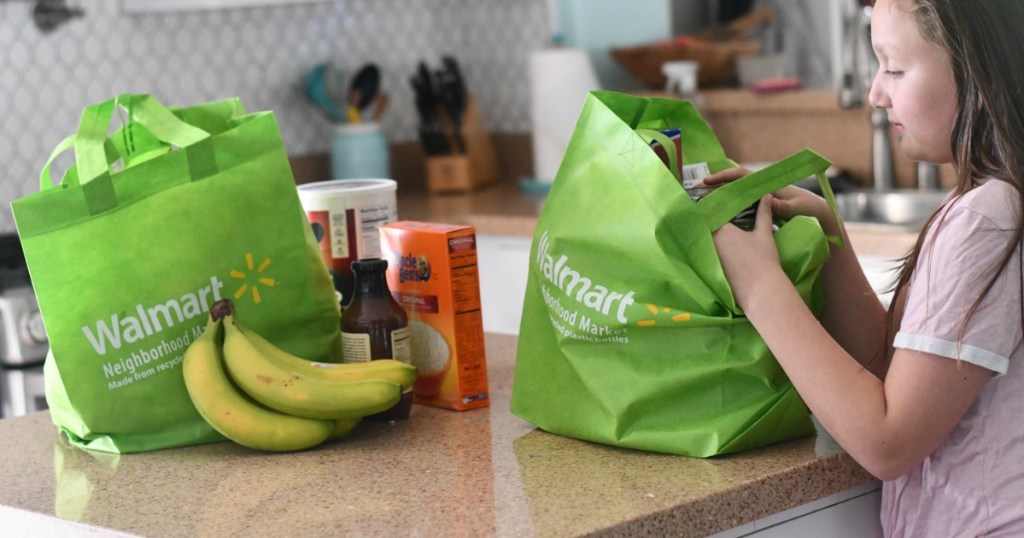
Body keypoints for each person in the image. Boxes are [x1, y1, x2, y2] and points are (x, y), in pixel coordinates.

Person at [708, 0, 1024, 535]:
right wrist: (829, 238)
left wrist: (758, 285)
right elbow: (895, 376)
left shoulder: (989, 217)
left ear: (976, 68)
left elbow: (888, 441)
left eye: (894, 68)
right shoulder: (988, 203)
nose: (877, 94)